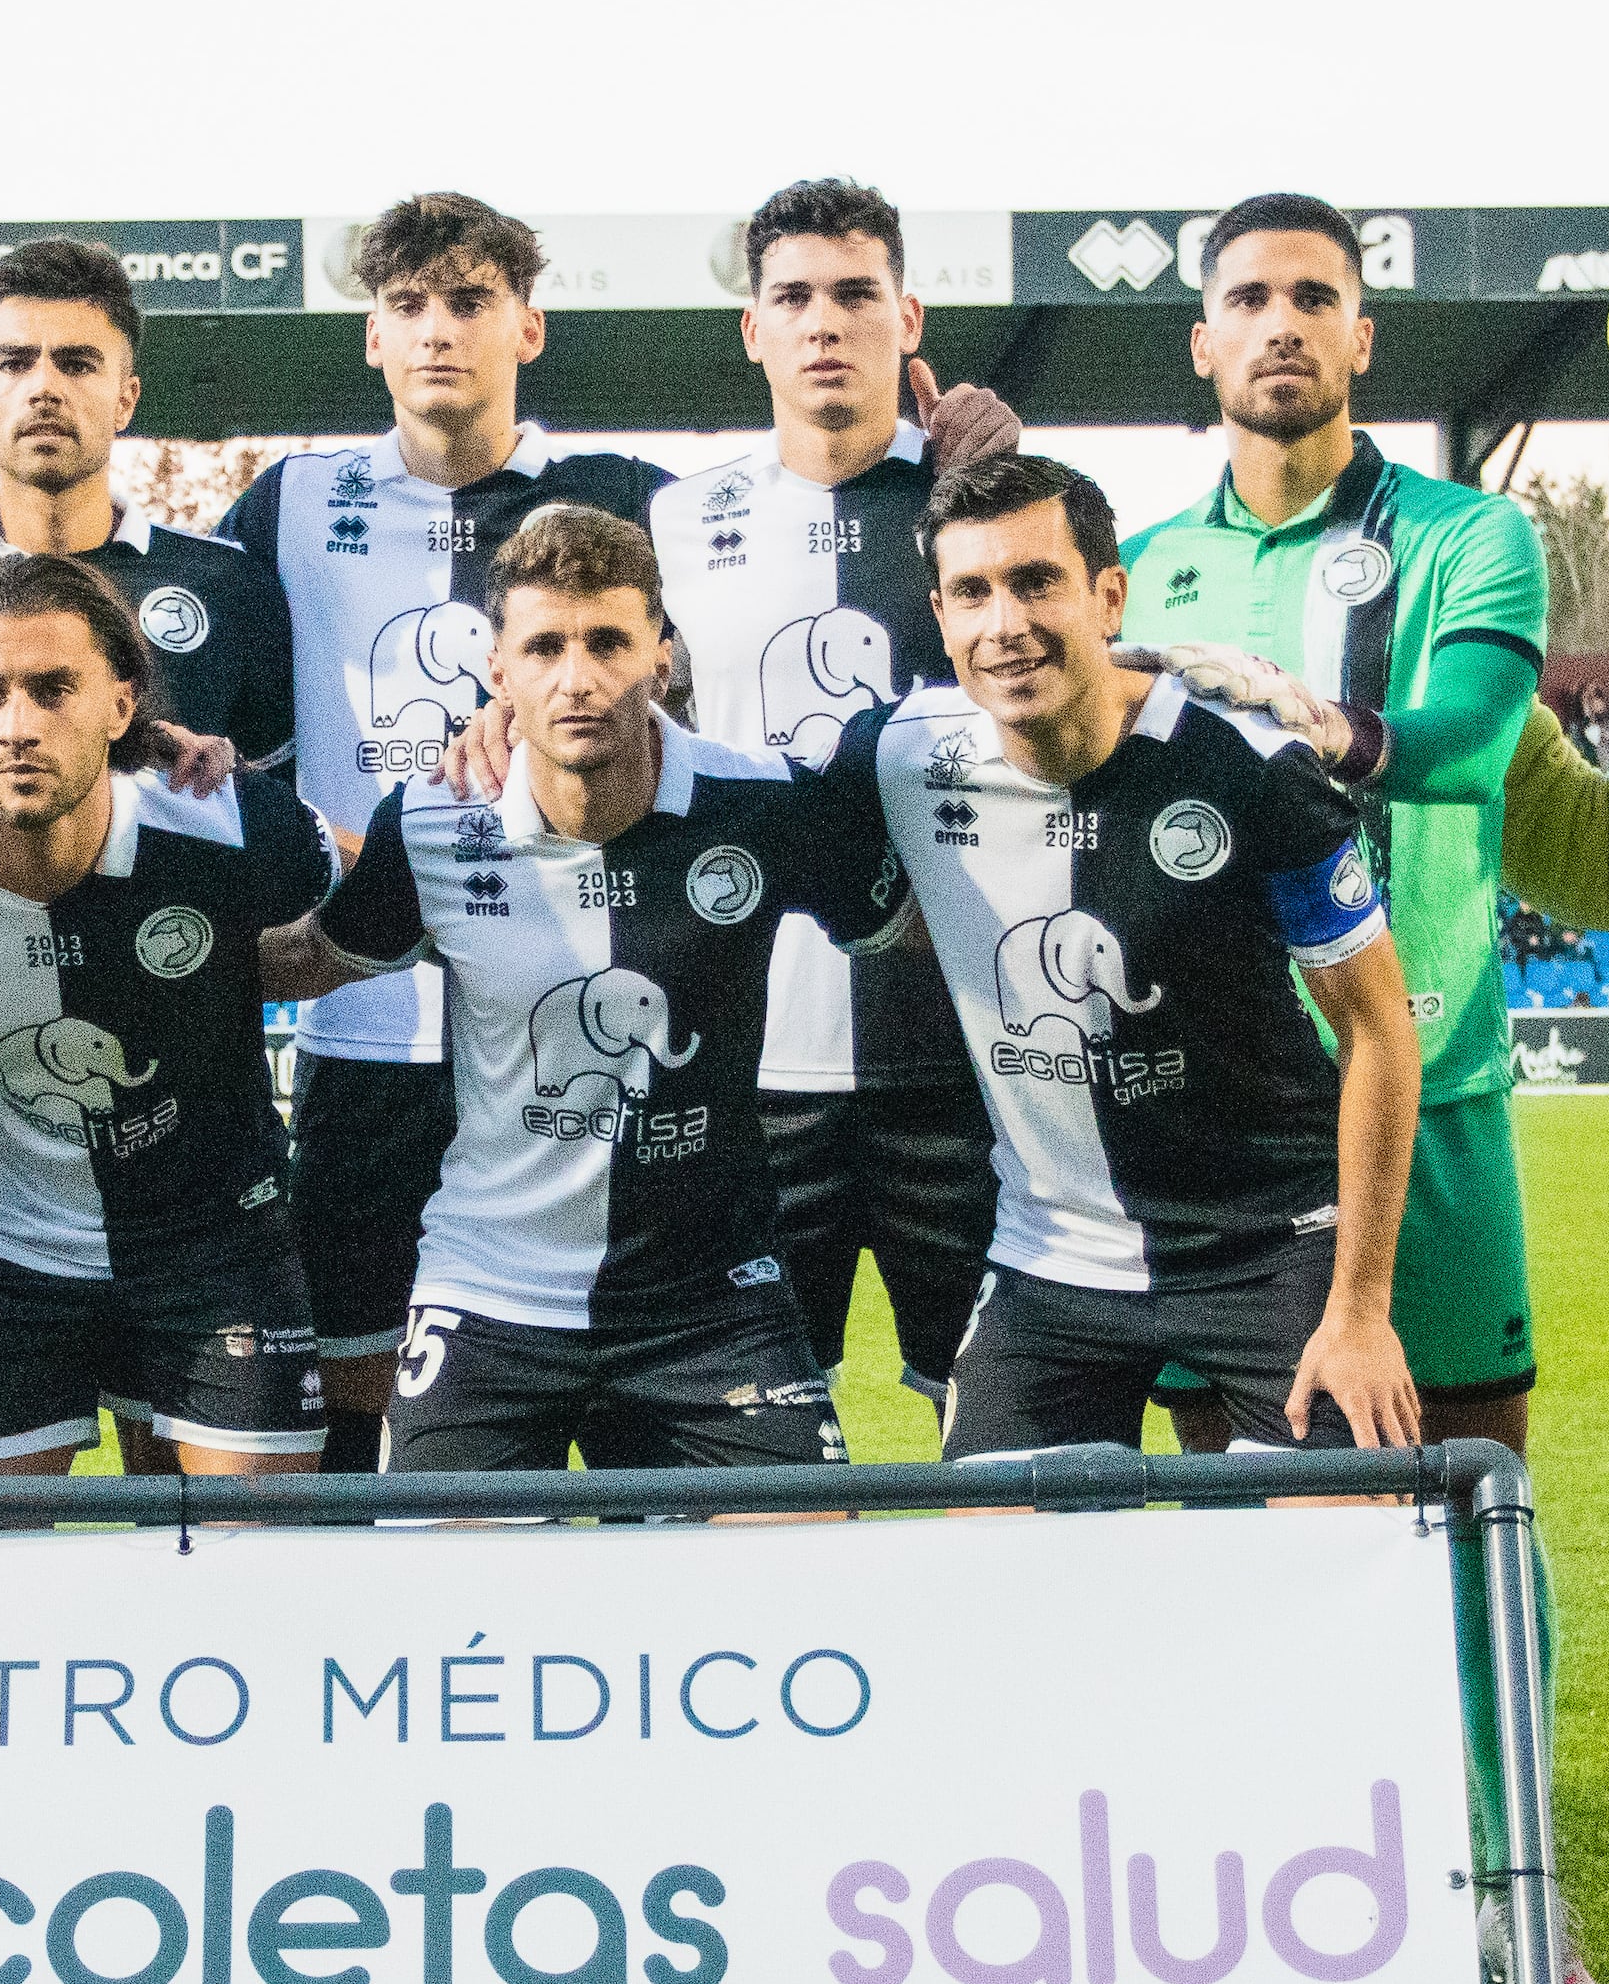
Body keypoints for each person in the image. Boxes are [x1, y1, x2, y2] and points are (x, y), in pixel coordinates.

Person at [260, 504, 889, 1474]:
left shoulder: (769, 805)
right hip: (489, 1301)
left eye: (607, 643)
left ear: (661, 658)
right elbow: (308, 958)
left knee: (799, 1576)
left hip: (709, 1303)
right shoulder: (431, 822)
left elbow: (919, 914)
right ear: (496, 672)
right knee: (437, 1602)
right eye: (544, 647)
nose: (578, 677)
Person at [851, 456, 1421, 1468]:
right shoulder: (894, 757)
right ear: (937, 617)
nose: (1004, 624)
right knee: (992, 1573)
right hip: (1048, 1268)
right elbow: (690, 782)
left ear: (1107, 595)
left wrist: (1361, 1310)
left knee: (1333, 1557)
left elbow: (1376, 1026)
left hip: (1269, 1250)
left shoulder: (1249, 765)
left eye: (1036, 582)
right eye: (971, 594)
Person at [219, 196, 671, 1466]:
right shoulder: (291, 502)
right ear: (371, 338)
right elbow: (145, 633)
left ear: (526, 325)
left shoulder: (626, 498)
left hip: (572, 1000)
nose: (438, 332)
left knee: (614, 1364)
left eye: (470, 302)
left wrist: (959, 442)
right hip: (366, 1021)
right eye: (409, 306)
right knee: (361, 1371)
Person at [1115, 194, 1555, 1463]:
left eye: (1314, 298)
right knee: (1241, 1534)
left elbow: (1470, 738)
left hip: (1428, 1090)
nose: (1282, 325)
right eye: (1247, 300)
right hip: (1215, 1121)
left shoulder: (1468, 533)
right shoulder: (1135, 568)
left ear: (1363, 339)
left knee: (1465, 1504)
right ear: (1202, 346)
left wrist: (1326, 734)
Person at [0, 236, 298, 1326]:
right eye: (14, 361)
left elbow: (274, 837)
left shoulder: (226, 585)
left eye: (78, 362)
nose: (44, 385)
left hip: (193, 1126)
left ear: (126, 393)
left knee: (188, 1484)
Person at [0, 554, 337, 1476]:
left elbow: (387, 882)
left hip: (213, 1241)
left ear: (123, 705)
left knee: (252, 1576)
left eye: (53, 689)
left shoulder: (226, 821)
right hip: (2, 1252)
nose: (19, 726)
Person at [648, 178, 1007, 1408]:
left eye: (855, 294)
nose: (823, 322)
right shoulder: (680, 522)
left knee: (1001, 1438)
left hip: (966, 1060)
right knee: (747, 1440)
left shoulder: (989, 503)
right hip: (754, 1071)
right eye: (791, 296)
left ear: (906, 317)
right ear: (751, 328)